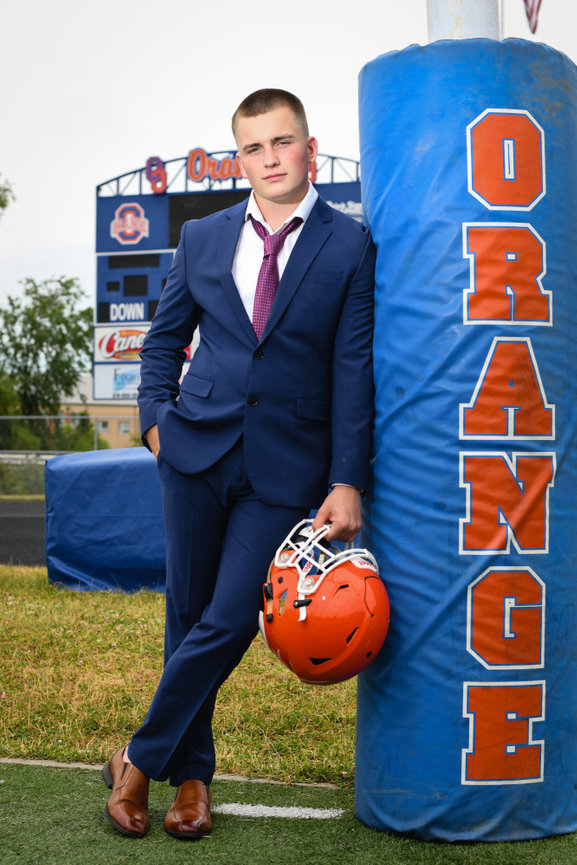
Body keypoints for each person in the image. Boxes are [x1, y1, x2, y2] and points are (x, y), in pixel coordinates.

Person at [102, 88, 375, 840]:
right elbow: (163, 340)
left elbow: (353, 367)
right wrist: (155, 424)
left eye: (281, 143)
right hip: (192, 449)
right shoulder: (203, 237)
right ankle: (193, 781)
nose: (269, 159)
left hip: (285, 467)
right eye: (253, 148)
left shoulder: (349, 246)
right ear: (240, 157)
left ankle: (135, 758)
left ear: (309, 149)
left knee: (227, 620)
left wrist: (346, 477)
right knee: (185, 616)